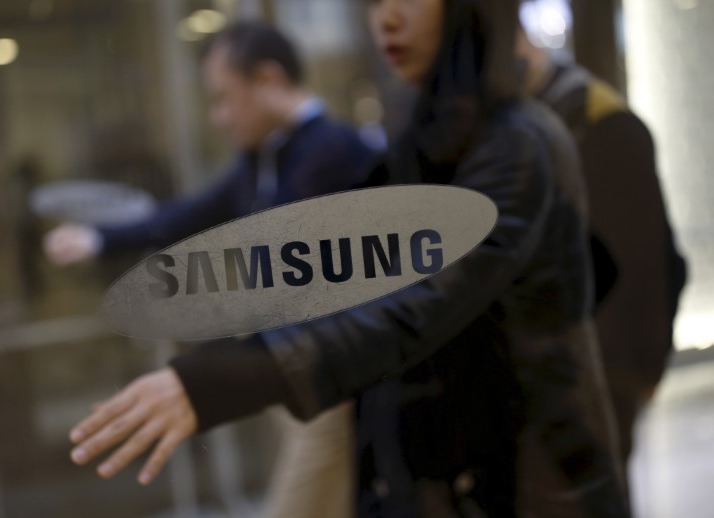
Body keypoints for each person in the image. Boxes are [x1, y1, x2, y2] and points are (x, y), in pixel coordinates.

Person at [66, 1, 630, 516]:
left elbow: (412, 305)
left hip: (527, 481)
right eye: (374, 1)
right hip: (440, 468)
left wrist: (215, 379)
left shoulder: (514, 143)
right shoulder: (422, 141)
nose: (384, 18)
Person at [43, 22, 377, 266]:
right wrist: (99, 239)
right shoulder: (267, 156)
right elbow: (190, 214)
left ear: (266, 79)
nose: (219, 117)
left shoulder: (333, 152)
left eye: (223, 98)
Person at [516, 19, 687, 463]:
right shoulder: (529, 117)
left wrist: (635, 375)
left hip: (593, 386)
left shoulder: (595, 121)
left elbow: (644, 267)